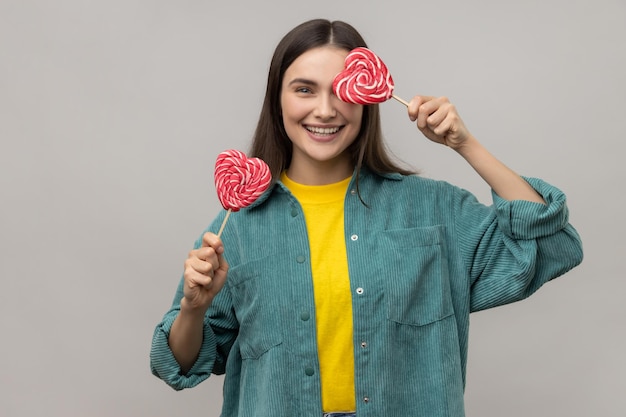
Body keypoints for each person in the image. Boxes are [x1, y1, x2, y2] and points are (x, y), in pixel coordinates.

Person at [150, 18, 583, 417]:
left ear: (368, 97)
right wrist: (193, 308)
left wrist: (464, 144)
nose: (325, 110)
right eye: (304, 89)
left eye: (342, 90)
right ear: (277, 100)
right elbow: (178, 364)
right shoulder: (236, 227)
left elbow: (551, 242)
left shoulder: (433, 211)